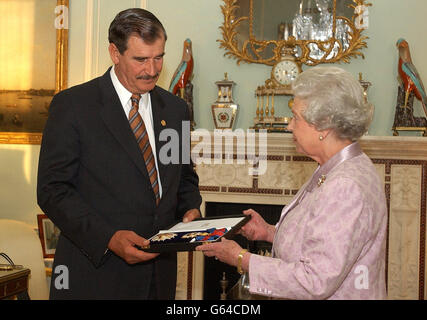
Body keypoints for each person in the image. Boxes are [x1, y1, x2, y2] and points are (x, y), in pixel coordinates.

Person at [37, 8, 202, 299]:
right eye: (140, 59)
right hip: (94, 277)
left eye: (159, 57)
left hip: (158, 279)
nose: (152, 70)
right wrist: (108, 239)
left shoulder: (176, 110)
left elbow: (183, 175)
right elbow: (53, 191)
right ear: (115, 53)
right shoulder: (73, 106)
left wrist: (190, 207)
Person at [197, 66, 388, 300]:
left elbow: (315, 280)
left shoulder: (345, 185)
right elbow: (323, 242)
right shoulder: (337, 166)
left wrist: (241, 258)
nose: (289, 126)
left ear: (324, 126)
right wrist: (269, 232)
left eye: (296, 117)